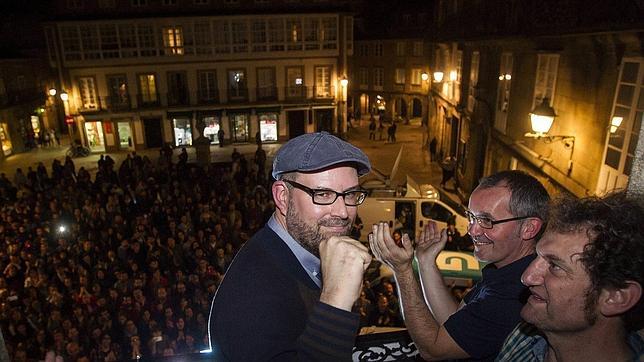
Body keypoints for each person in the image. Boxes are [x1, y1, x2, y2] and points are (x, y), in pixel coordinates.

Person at [208, 131, 373, 360]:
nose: (343, 212)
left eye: (351, 194)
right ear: (283, 197)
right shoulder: (252, 294)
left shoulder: (307, 255)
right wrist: (336, 301)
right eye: (323, 194)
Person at [370, 170, 549, 361]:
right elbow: (455, 321)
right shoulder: (504, 270)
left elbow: (434, 349)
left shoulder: (515, 293)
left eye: (486, 220)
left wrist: (402, 270)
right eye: (471, 216)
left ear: (529, 228)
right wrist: (425, 262)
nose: (472, 230)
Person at [496, 192, 644, 361]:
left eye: (555, 266)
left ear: (615, 297)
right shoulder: (524, 337)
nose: (527, 277)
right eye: (537, 257)